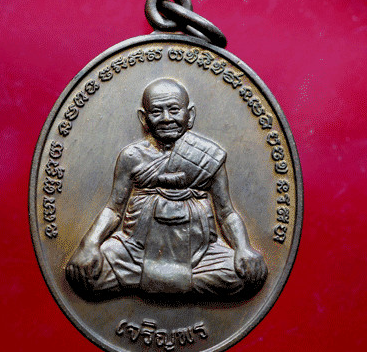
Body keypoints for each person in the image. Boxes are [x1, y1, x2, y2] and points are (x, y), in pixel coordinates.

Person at [66, 78, 267, 297]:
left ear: (190, 115)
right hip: (135, 251)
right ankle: (177, 283)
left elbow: (226, 213)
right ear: (143, 118)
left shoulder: (209, 156)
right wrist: (90, 243)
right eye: (156, 112)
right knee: (83, 275)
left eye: (174, 110)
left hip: (200, 254)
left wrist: (243, 248)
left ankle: (148, 282)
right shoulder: (132, 157)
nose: (166, 119)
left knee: (249, 275)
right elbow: (114, 209)